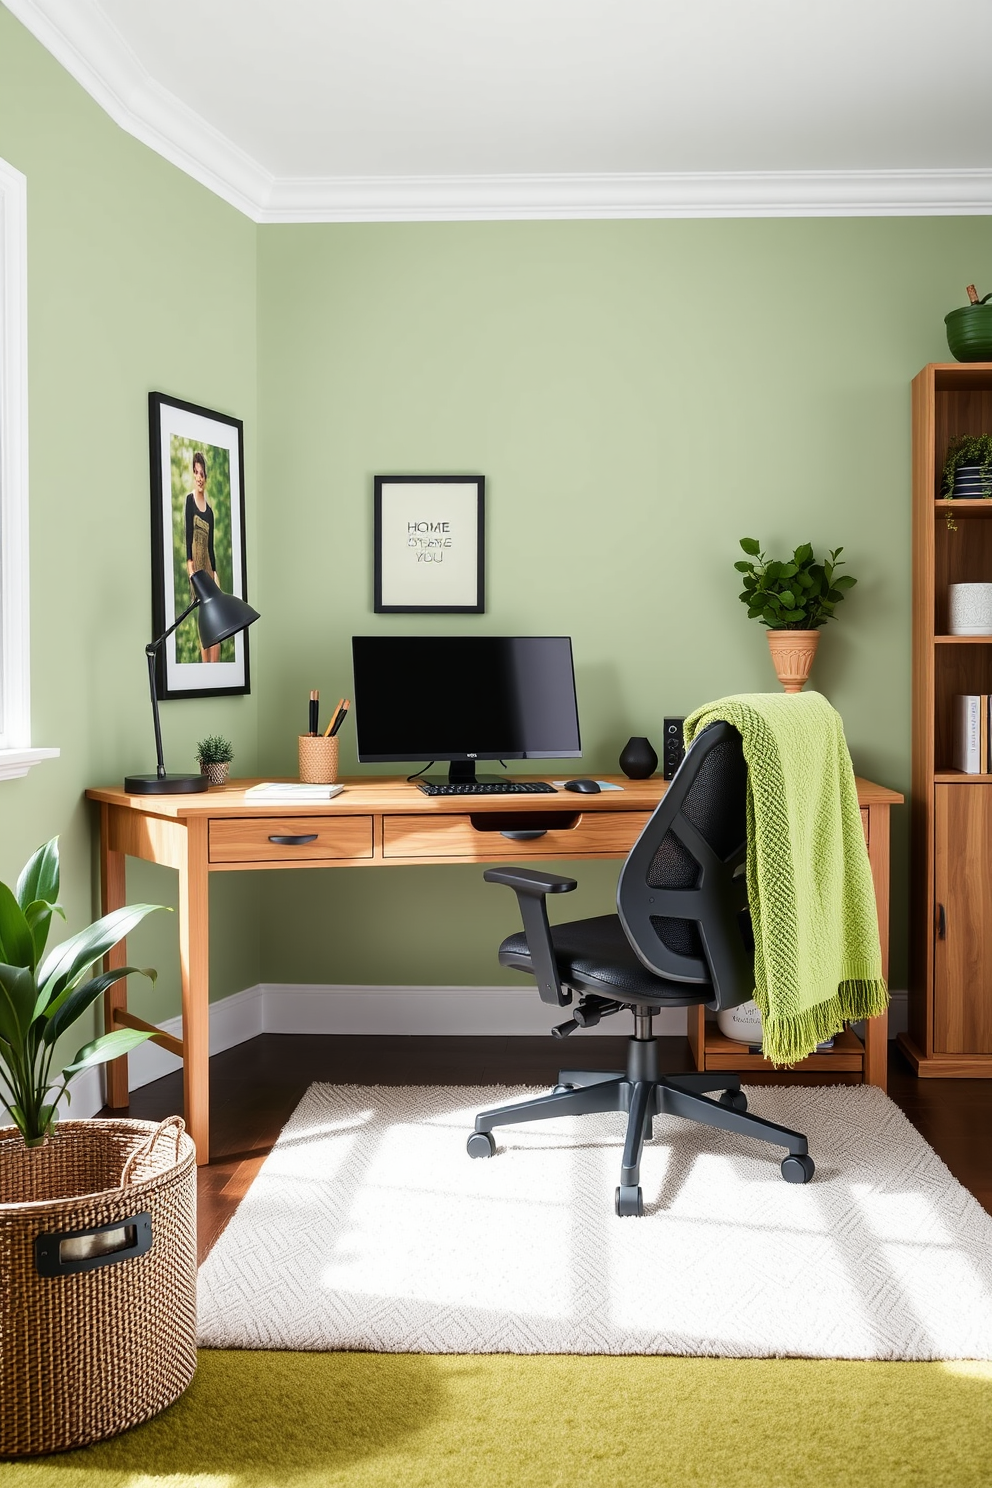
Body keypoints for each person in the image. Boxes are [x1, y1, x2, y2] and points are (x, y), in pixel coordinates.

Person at [184, 452, 220, 662]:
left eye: (202, 474)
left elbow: (211, 547)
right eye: (196, 473)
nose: (199, 477)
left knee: (213, 614)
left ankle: (214, 663)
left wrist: (214, 574)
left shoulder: (210, 512)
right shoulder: (189, 502)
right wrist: (191, 571)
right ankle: (206, 662)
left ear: (206, 477)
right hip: (195, 569)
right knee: (203, 616)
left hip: (207, 568)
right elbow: (189, 537)